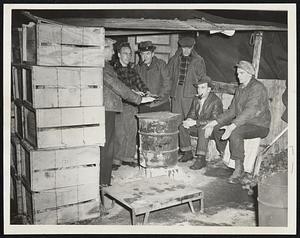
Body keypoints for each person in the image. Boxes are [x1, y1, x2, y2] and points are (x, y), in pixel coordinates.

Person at [204, 60, 271, 184]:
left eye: (241, 73)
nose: (238, 76)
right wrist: (215, 122)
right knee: (218, 128)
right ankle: (228, 157)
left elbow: (250, 111)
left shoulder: (258, 88)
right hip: (244, 122)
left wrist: (232, 126)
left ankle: (239, 169)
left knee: (235, 132)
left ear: (250, 74)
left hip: (259, 124)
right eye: (237, 73)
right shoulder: (240, 88)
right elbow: (232, 110)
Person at [100, 38, 144, 186]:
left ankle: (106, 177)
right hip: (111, 107)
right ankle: (104, 180)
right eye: (111, 49)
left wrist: (144, 93)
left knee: (129, 133)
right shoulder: (107, 68)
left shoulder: (125, 69)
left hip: (117, 106)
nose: (112, 52)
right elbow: (117, 86)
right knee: (112, 140)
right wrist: (136, 98)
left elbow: (139, 83)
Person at [112, 42, 152, 168]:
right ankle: (116, 160)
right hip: (119, 105)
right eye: (125, 53)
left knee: (131, 132)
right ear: (119, 55)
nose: (128, 56)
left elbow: (139, 82)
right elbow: (121, 87)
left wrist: (147, 91)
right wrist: (133, 91)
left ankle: (128, 158)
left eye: (129, 54)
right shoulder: (113, 70)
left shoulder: (132, 69)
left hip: (132, 106)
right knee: (119, 133)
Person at [178, 76, 223, 170]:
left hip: (212, 128)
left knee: (203, 128)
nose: (199, 90)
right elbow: (192, 113)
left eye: (202, 87)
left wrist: (195, 122)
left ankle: (201, 158)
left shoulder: (215, 101)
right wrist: (188, 120)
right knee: (182, 126)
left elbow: (214, 120)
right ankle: (187, 152)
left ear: (209, 89)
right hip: (198, 124)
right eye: (198, 87)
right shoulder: (196, 99)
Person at [167, 36, 207, 121]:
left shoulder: (198, 60)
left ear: (192, 47)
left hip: (190, 93)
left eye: (188, 48)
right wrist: (168, 91)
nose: (186, 51)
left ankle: (186, 134)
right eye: (184, 48)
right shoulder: (174, 59)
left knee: (189, 119)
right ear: (181, 47)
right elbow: (168, 76)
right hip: (176, 92)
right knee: (176, 118)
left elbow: (202, 78)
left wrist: (201, 94)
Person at [135, 41, 171, 112]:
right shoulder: (137, 68)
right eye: (143, 54)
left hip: (161, 105)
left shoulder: (161, 65)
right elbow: (135, 86)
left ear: (152, 54)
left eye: (148, 53)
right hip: (144, 105)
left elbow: (167, 84)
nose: (145, 57)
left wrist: (157, 96)